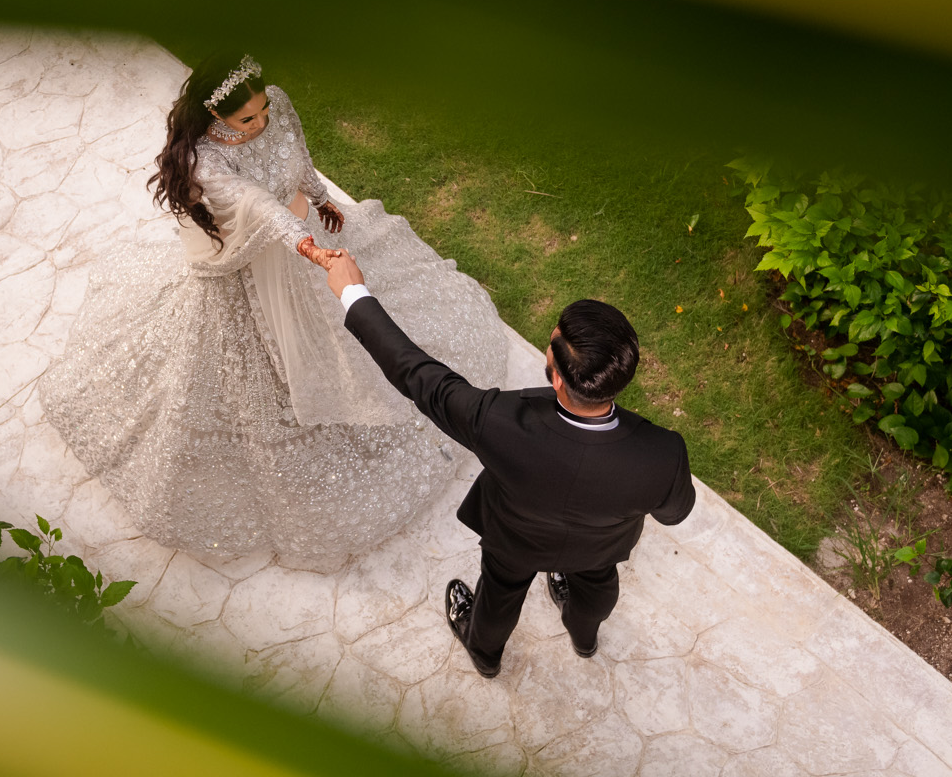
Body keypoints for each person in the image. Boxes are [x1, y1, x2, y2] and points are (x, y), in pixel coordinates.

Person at [38, 54, 506, 560]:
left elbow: (297, 152)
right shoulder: (207, 161)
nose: (261, 122)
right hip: (257, 255)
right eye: (248, 119)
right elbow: (260, 209)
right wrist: (312, 249)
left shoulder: (275, 103)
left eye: (262, 110)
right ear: (215, 117)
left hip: (302, 227)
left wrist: (321, 197)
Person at [311, 248, 695, 675]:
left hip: (514, 542)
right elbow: (675, 514)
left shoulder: (497, 422)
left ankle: (485, 653)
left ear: (555, 374)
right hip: (596, 551)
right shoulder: (664, 453)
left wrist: (352, 292)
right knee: (597, 589)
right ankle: (584, 638)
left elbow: (418, 375)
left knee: (500, 593)